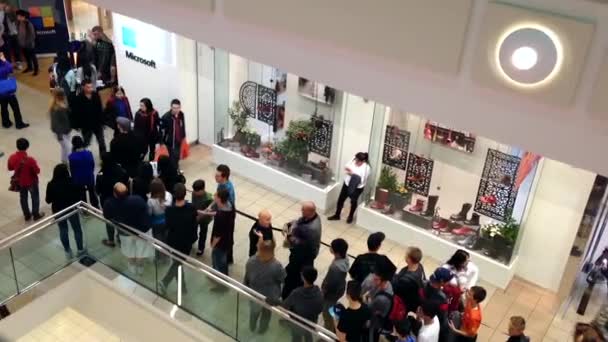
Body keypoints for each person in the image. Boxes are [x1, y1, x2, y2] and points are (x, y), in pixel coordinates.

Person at [159, 183, 198, 294]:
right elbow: (194, 224)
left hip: (173, 241)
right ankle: (166, 282)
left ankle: (182, 287)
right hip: (186, 242)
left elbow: (168, 226)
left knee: (177, 262)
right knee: (178, 262)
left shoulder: (169, 210)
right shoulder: (191, 208)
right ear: (185, 194)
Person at [244, 239, 286, 334]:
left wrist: (246, 289)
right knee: (265, 314)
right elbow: (283, 279)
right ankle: (262, 329)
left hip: (255, 295)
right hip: (269, 297)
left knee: (255, 312)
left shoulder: (251, 261)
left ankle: (253, 327)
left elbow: (246, 278)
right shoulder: (276, 266)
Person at [282, 202, 323, 299]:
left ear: (310, 211)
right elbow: (300, 221)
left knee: (294, 278)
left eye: (303, 210)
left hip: (303, 257)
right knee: (291, 272)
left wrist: (289, 237)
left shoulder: (312, 228)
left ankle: (287, 296)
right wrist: (290, 224)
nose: (301, 211)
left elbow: (302, 244)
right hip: (300, 255)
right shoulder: (312, 217)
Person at [45, 164, 84, 259]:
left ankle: (67, 251)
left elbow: (48, 200)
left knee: (63, 230)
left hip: (58, 210)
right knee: (77, 229)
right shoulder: (72, 181)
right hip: (72, 209)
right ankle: (80, 249)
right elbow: (79, 195)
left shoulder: (51, 184)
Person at [282, 266, 324, 342]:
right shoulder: (319, 294)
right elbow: (320, 309)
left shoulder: (296, 293)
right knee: (308, 334)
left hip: (297, 323)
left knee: (296, 338)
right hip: (311, 323)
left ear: (303, 278)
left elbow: (285, 305)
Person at [96, 153, 128, 247]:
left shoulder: (101, 175)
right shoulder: (121, 171)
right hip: (121, 199)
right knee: (121, 219)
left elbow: (98, 190)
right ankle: (120, 236)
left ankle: (111, 240)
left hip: (107, 202)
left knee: (109, 221)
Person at [328, 152, 371, 223]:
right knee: (341, 199)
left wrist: (352, 174)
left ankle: (350, 216)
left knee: (353, 201)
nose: (356, 162)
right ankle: (337, 215)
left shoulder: (366, 168)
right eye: (355, 160)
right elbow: (346, 166)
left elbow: (361, 180)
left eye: (358, 161)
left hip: (357, 188)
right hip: (347, 183)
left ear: (363, 161)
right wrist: (351, 172)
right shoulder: (353, 160)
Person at [8, 138, 43, 220]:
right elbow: (37, 171)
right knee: (35, 197)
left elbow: (10, 168)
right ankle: (36, 214)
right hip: (32, 182)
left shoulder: (12, 157)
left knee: (23, 198)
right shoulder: (30, 160)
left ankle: (27, 215)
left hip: (20, 182)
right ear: (27, 147)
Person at [321, 238, 350, 332]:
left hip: (331, 294)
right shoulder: (345, 257)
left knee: (326, 312)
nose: (330, 248)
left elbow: (329, 285)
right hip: (340, 288)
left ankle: (329, 330)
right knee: (332, 305)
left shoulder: (335, 268)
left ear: (336, 252)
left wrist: (323, 292)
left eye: (331, 247)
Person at [363, 264, 395, 342]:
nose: (373, 280)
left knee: (370, 334)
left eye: (376, 279)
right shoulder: (387, 284)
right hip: (377, 308)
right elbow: (373, 291)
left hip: (376, 320)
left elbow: (369, 309)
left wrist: (365, 299)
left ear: (383, 281)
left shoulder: (381, 299)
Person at [420, 268, 454, 342]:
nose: (449, 283)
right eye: (448, 281)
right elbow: (442, 317)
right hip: (433, 323)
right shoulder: (443, 299)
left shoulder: (423, 284)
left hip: (422, 316)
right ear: (442, 281)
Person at [73, 79, 105, 155]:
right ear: (83, 87)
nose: (90, 89)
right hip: (86, 125)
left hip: (97, 123)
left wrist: (102, 121)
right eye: (88, 87)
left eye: (91, 87)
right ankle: (81, 156)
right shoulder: (79, 98)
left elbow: (100, 109)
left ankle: (104, 157)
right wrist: (78, 125)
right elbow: (77, 113)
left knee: (101, 142)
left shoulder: (96, 95)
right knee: (86, 142)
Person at [209, 188, 236, 275]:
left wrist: (213, 245)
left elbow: (218, 235)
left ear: (219, 199)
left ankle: (220, 279)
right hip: (228, 239)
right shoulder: (230, 206)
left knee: (219, 261)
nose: (214, 197)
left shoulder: (221, 216)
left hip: (220, 244)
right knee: (222, 260)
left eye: (215, 196)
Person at [68, 136, 99, 208]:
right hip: (89, 177)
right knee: (92, 192)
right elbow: (92, 165)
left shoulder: (71, 157)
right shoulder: (89, 154)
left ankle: (84, 208)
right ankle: (96, 206)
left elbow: (72, 170)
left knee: (81, 194)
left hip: (78, 179)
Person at [0, 51, 27, 129]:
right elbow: (10, 69)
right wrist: (4, 60)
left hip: (1, 92)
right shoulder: (4, 65)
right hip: (8, 91)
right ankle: (19, 124)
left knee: (3, 107)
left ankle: (6, 123)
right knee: (15, 108)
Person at [148, 178, 172, 261]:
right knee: (166, 239)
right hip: (167, 220)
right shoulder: (168, 195)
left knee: (158, 241)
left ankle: (159, 257)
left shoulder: (151, 201)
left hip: (156, 224)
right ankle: (167, 256)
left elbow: (150, 213)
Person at [161, 98, 186, 168]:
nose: (176, 110)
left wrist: (184, 136)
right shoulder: (166, 117)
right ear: (171, 107)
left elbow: (183, 126)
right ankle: (174, 169)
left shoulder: (181, 114)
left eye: (178, 108)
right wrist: (162, 142)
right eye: (174, 108)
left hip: (179, 140)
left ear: (180, 107)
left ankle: (175, 167)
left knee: (177, 156)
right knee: (172, 157)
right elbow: (161, 130)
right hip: (170, 142)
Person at [49, 89, 72, 163]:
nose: (63, 96)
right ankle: (70, 163)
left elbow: (69, 115)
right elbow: (55, 123)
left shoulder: (64, 103)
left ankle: (64, 161)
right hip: (60, 133)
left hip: (67, 130)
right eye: (61, 95)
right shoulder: (55, 108)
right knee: (69, 147)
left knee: (64, 147)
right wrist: (59, 135)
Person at [191, 179, 213, 256]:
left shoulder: (209, 198)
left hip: (205, 219)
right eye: (195, 191)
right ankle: (193, 239)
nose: (195, 193)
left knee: (203, 233)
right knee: (193, 228)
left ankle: (201, 248)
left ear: (203, 189)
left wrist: (199, 217)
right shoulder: (194, 193)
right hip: (196, 215)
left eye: (197, 191)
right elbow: (193, 204)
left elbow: (208, 212)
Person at [16, 9, 37, 75]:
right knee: (27, 57)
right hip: (22, 45)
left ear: (23, 16)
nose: (17, 17)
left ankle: (36, 69)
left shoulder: (29, 24)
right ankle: (30, 67)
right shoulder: (19, 23)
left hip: (29, 45)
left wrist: (27, 43)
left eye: (18, 16)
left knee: (33, 57)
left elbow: (32, 35)